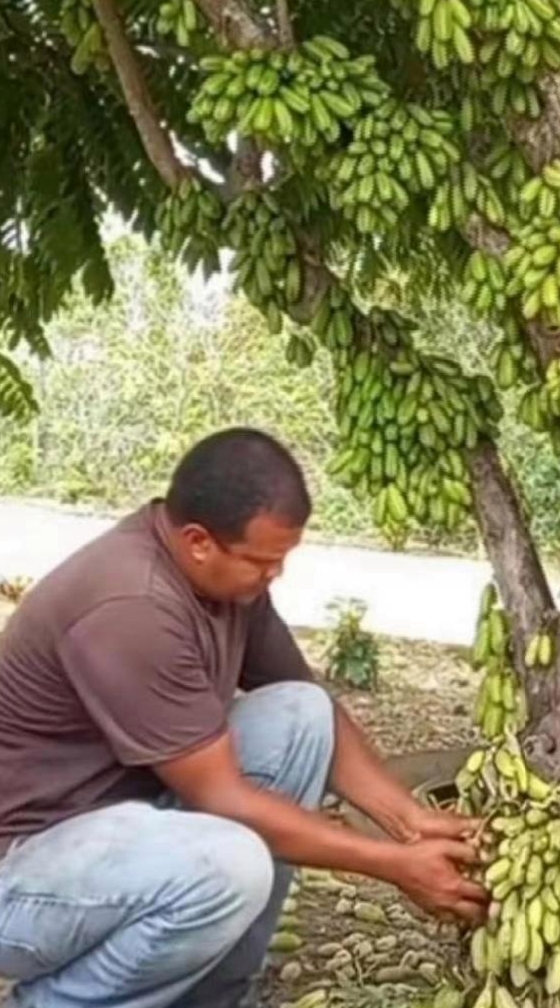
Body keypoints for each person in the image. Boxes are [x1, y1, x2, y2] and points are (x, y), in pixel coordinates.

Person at [0, 428, 488, 1008]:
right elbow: (224, 800)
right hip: (23, 873)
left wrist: (410, 820)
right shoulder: (131, 606)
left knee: (301, 717)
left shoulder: (228, 587)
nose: (274, 575)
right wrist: (396, 865)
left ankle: (214, 998)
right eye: (264, 561)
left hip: (119, 831)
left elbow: (313, 709)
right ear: (199, 541)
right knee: (229, 867)